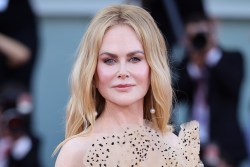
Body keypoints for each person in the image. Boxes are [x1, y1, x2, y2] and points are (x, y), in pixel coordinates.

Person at [54, 4, 202, 167]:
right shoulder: (76, 152)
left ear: (153, 68)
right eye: (109, 60)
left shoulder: (176, 149)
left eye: (135, 59)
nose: (122, 72)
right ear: (93, 73)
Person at [175, 14, 248, 167]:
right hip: (194, 142)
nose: (199, 40)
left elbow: (233, 86)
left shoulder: (232, 58)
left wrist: (210, 54)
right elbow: (177, 96)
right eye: (193, 36)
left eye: (202, 35)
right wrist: (195, 63)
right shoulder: (187, 62)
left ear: (213, 32)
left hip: (225, 142)